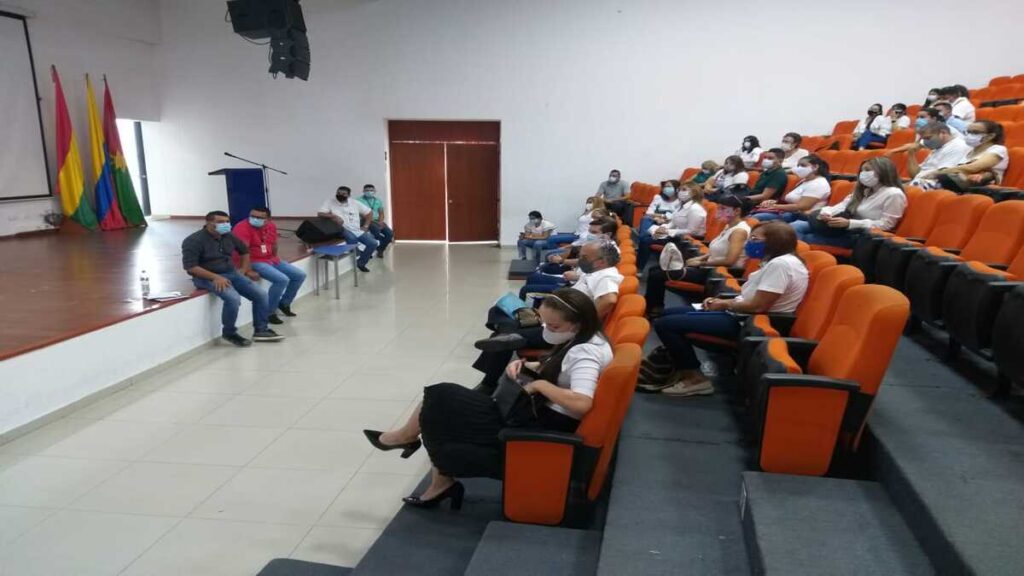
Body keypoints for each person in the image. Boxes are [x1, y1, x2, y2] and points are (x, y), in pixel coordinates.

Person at [362, 288, 612, 509]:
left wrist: (540, 384)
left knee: (440, 401)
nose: (547, 331)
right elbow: (564, 370)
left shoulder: (585, 353)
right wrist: (529, 365)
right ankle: (417, 453)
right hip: (536, 411)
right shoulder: (586, 339)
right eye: (545, 323)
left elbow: (582, 403)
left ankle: (411, 446)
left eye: (554, 327)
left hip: (540, 422)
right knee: (440, 396)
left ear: (578, 323)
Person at [645, 223, 808, 396]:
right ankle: (677, 367)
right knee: (668, 314)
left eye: (755, 239)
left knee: (666, 324)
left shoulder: (781, 265)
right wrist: (721, 301)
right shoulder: (778, 261)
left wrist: (723, 304)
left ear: (775, 241)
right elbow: (753, 299)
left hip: (749, 323)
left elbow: (758, 305)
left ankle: (694, 378)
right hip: (742, 313)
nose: (749, 243)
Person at [181, 211, 284, 346]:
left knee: (261, 295)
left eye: (227, 222)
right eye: (220, 222)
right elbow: (190, 267)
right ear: (208, 223)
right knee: (233, 299)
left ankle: (261, 330)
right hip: (207, 277)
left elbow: (244, 251)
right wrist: (215, 277)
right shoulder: (194, 240)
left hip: (231, 273)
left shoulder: (228, 235)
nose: (225, 224)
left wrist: (244, 269)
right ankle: (229, 333)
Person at [643, 194, 752, 317]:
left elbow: (729, 260)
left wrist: (701, 263)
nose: (719, 211)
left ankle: (654, 310)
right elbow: (717, 251)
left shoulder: (739, 231)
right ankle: (654, 306)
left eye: (723, 208)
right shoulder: (729, 226)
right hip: (709, 266)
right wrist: (700, 258)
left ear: (737, 211)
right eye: (719, 208)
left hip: (716, 272)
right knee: (655, 270)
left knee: (658, 274)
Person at [792, 157, 907, 248]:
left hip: (860, 236)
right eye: (862, 170)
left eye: (867, 170)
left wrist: (850, 223)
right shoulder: (865, 190)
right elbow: (842, 206)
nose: (863, 173)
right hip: (841, 229)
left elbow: (887, 225)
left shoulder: (894, 194)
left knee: (808, 238)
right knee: (795, 226)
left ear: (883, 172)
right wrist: (827, 213)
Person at [231, 206, 307, 322]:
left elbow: (274, 243)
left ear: (268, 219)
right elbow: (243, 251)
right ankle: (269, 312)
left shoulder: (271, 226)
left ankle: (284, 303)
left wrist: (275, 257)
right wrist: (248, 270)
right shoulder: (241, 227)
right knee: (281, 280)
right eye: (252, 216)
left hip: (269, 258)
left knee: (299, 275)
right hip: (253, 260)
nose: (254, 219)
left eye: (259, 218)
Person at [515, 237, 623, 309]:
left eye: (584, 257)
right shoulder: (595, 269)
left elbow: (609, 300)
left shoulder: (607, 276)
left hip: (568, 303)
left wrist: (586, 323)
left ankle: (526, 316)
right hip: (569, 292)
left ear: (601, 262)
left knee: (526, 290)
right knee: (533, 278)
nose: (580, 260)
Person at [638, 185, 707, 270]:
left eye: (684, 189)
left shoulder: (695, 209)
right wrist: (663, 228)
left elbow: (692, 231)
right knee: (646, 235)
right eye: (679, 189)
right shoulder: (681, 206)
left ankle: (640, 268)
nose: (680, 192)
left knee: (645, 240)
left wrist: (668, 232)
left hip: (687, 240)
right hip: (676, 235)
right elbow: (673, 222)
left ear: (693, 193)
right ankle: (641, 267)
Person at [928, 120, 1010, 191]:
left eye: (975, 132)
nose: (969, 135)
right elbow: (955, 168)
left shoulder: (998, 149)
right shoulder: (969, 150)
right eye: (968, 132)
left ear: (990, 136)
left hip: (980, 188)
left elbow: (974, 167)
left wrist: (938, 173)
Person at [751, 155, 830, 222]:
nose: (799, 168)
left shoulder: (818, 184)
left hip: (800, 216)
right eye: (798, 165)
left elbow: (802, 207)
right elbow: (790, 199)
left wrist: (775, 206)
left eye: (803, 165)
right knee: (752, 213)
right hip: (788, 211)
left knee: (756, 217)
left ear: (815, 167)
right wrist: (773, 202)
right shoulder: (804, 180)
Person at [318, 186, 378, 272]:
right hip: (341, 229)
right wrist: (333, 216)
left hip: (356, 229)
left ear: (349, 195)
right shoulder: (329, 202)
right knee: (351, 238)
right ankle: (357, 254)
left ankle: (361, 263)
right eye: (338, 193)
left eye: (343, 194)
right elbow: (320, 214)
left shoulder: (354, 203)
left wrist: (366, 226)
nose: (340, 195)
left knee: (373, 243)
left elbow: (369, 212)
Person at [901, 122, 972, 187]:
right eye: (924, 139)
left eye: (928, 138)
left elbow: (942, 174)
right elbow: (915, 174)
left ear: (943, 133)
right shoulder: (937, 148)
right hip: (920, 182)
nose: (925, 142)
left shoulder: (958, 146)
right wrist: (911, 154)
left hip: (934, 185)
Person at [358, 184, 393, 257]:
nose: (369, 192)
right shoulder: (358, 200)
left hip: (377, 220)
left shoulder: (378, 200)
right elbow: (360, 214)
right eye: (367, 190)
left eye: (371, 190)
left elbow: (381, 213)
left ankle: (380, 249)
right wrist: (374, 222)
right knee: (376, 230)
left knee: (390, 233)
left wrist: (380, 222)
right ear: (363, 191)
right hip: (365, 220)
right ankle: (377, 246)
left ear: (374, 191)